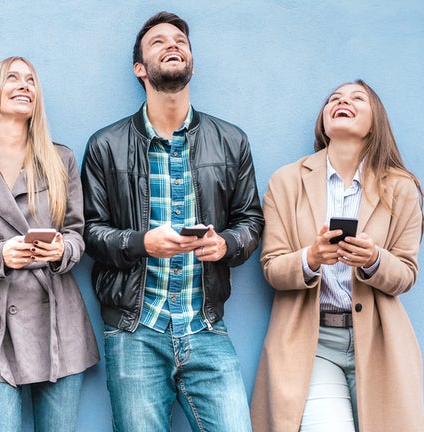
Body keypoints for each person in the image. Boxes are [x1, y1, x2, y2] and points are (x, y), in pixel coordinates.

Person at [80, 11, 264, 431]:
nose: (173, 45)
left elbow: (251, 219)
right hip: (134, 329)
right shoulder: (106, 145)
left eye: (180, 40)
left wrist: (227, 245)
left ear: (191, 62)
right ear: (140, 69)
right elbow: (90, 231)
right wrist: (142, 243)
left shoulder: (231, 140)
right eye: (159, 41)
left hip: (206, 324)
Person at [250, 80, 424, 432]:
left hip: (379, 343)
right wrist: (311, 258)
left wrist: (374, 259)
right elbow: (272, 267)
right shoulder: (287, 181)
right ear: (324, 121)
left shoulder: (401, 186)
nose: (342, 102)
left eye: (356, 98)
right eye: (335, 99)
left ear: (375, 120)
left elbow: (406, 274)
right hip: (310, 342)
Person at [0, 56, 99, 432]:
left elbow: (78, 234)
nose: (24, 85)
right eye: (13, 78)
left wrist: (61, 250)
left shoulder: (60, 159)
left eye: (30, 80)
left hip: (58, 326)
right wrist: (0, 253)